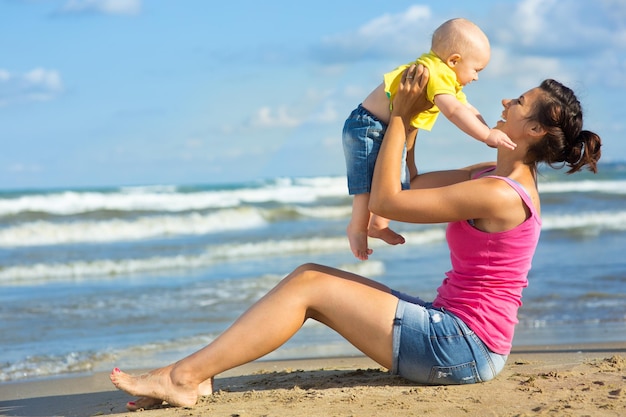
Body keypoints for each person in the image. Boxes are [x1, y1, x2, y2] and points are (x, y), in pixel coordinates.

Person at [110, 64, 601, 411]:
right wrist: (411, 121)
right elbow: (411, 183)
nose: (503, 101)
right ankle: (194, 373)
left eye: (517, 102)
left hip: (461, 347)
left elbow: (388, 202)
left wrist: (403, 113)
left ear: (533, 128)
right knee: (311, 282)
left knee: (308, 285)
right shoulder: (485, 175)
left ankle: (184, 378)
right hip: (457, 333)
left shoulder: (499, 194)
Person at [343, 18, 517, 260]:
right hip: (368, 124)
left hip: (390, 126)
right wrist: (486, 135)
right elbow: (454, 112)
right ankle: (357, 227)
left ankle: (377, 225)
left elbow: (467, 108)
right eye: (476, 70)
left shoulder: (446, 76)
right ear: (454, 60)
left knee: (397, 177)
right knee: (367, 183)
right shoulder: (436, 74)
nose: (476, 78)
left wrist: (488, 134)